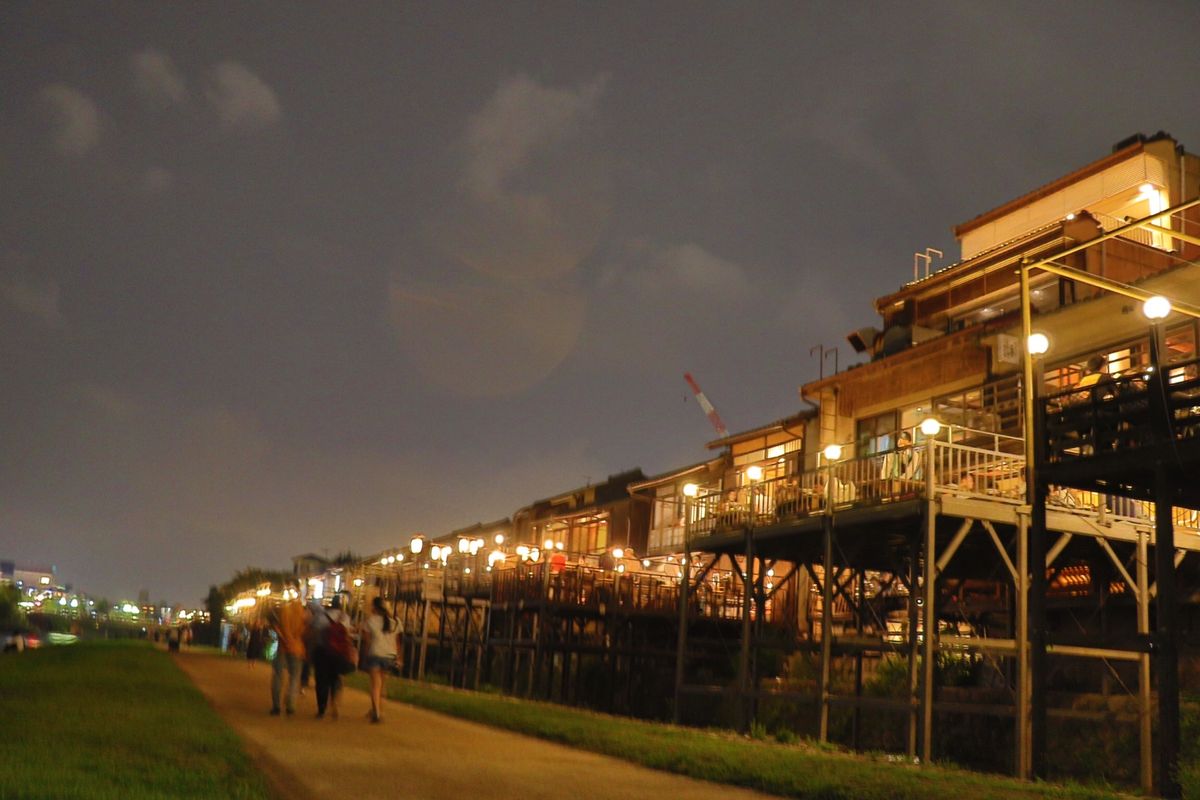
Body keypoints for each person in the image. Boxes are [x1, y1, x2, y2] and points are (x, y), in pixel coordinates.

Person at [269, 585, 309, 717]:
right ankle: (290, 705)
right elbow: (303, 629)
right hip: (297, 648)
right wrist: (294, 639)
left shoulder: (282, 610)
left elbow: (276, 626)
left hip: (283, 647)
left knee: (278, 676)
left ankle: (276, 706)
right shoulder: (302, 612)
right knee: (295, 677)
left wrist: (285, 638)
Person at [360, 596, 401, 723]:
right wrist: (399, 657)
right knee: (383, 686)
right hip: (390, 656)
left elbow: (367, 642)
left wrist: (365, 656)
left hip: (375, 654)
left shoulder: (370, 621)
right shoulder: (395, 621)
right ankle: (378, 710)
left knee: (375, 685)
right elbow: (398, 642)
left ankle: (376, 712)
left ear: (374, 608)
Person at [313, 593, 353, 720]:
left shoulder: (320, 617)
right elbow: (347, 635)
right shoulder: (345, 617)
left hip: (322, 651)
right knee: (335, 678)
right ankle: (335, 703)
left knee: (321, 680)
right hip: (338, 653)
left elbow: (314, 632)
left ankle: (322, 708)